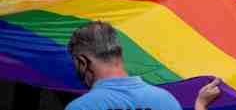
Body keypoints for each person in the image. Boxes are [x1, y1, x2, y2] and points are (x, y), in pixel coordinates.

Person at [65, 21, 220, 110]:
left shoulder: (81, 107)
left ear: (82, 62)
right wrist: (200, 105)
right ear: (120, 53)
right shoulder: (165, 100)